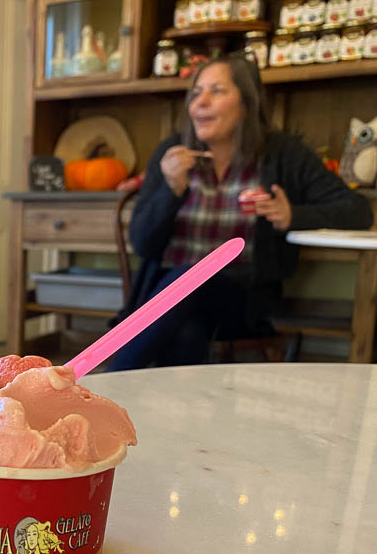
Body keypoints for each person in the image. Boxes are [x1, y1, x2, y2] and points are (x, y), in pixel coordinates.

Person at [108, 57, 373, 371]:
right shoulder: (172, 152)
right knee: (187, 332)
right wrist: (171, 189)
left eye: (216, 91)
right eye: (196, 93)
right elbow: (142, 244)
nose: (199, 103)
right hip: (168, 297)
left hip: (241, 299)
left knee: (192, 278)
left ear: (247, 103)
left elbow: (357, 211)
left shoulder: (283, 153)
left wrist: (292, 216)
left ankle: (101, 382)